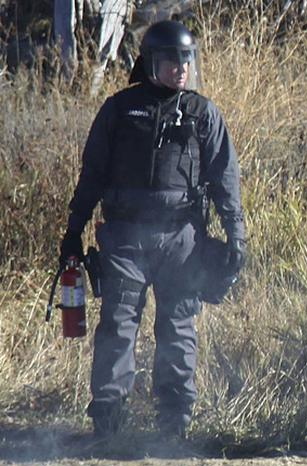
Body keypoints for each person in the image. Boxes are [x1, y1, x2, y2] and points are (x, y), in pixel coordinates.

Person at [62, 19, 246, 440]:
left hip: (182, 241)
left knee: (179, 326)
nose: (181, 69)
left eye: (186, 60)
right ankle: (108, 422)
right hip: (124, 240)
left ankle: (174, 426)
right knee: (118, 323)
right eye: (171, 61)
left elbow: (225, 181)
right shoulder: (119, 110)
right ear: (149, 63)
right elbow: (91, 175)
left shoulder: (203, 114)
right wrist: (73, 231)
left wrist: (237, 237)